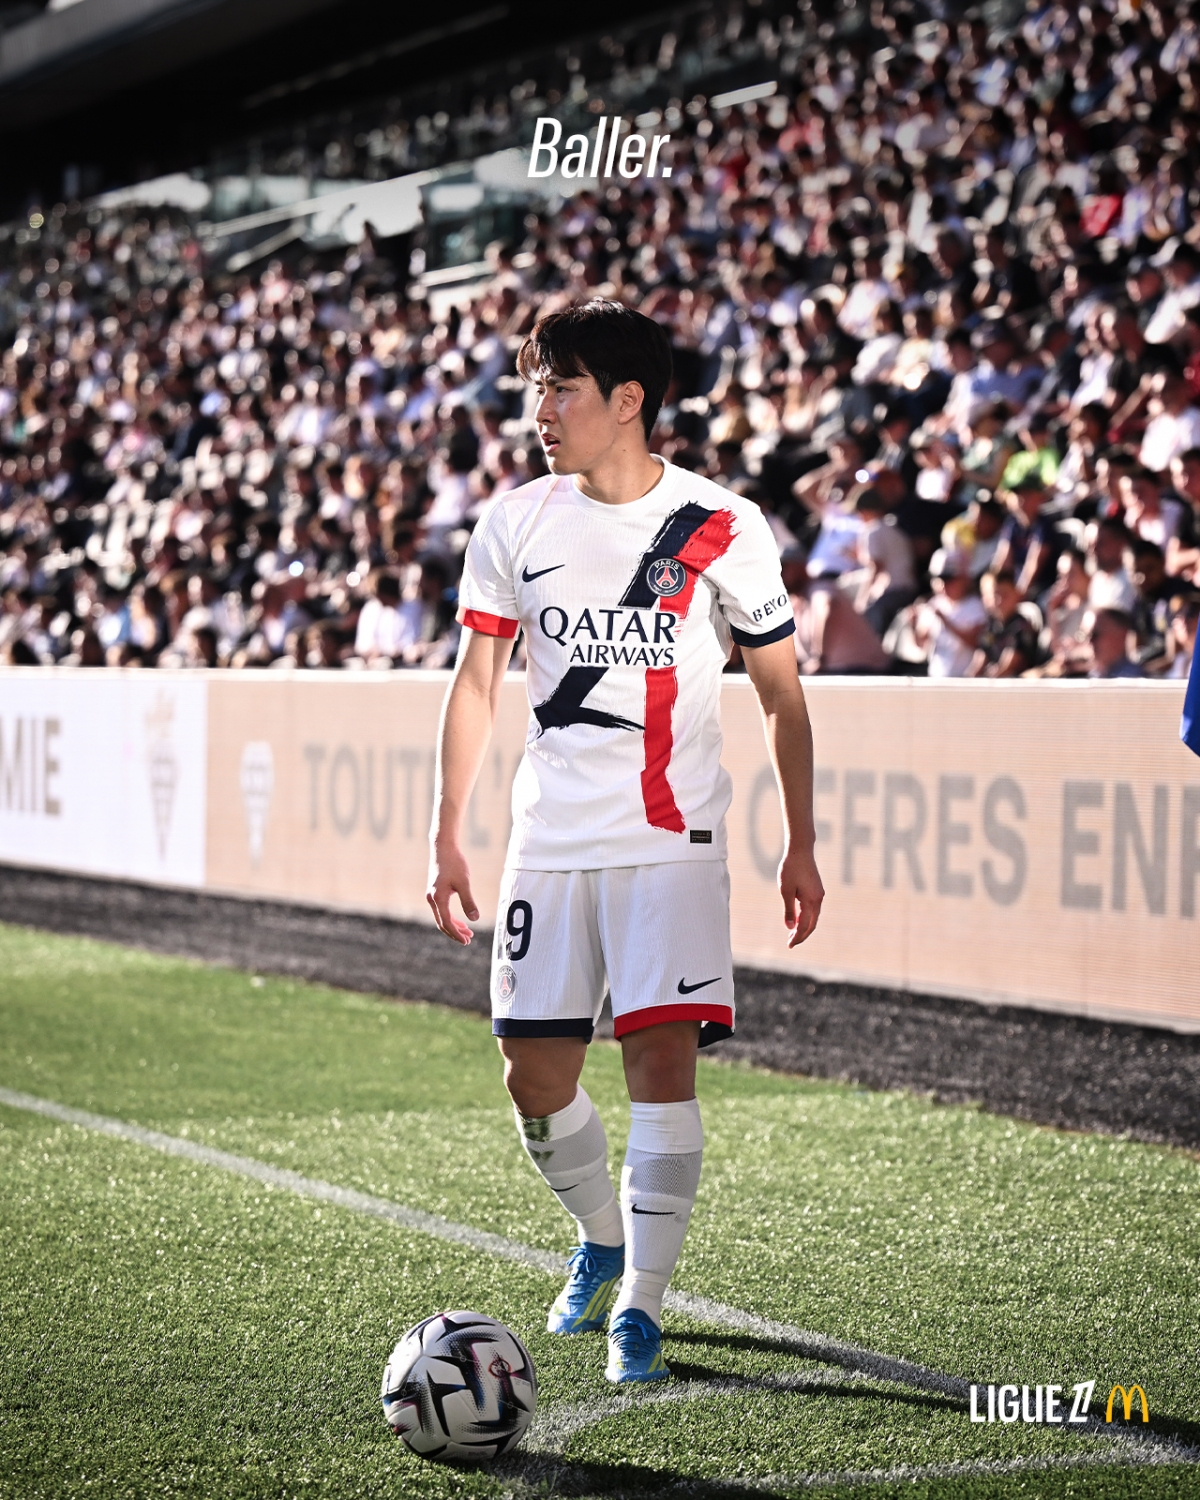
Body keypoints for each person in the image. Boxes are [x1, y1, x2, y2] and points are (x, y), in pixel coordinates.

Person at [425, 300, 824, 1385]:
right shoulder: (515, 521)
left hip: (671, 841)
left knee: (660, 1064)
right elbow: (476, 686)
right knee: (532, 1075)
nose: (539, 409)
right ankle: (602, 1235)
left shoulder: (724, 523)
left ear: (628, 401)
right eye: (537, 389)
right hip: (549, 841)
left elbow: (782, 693)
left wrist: (801, 841)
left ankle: (639, 1307)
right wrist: (445, 835)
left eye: (560, 388)